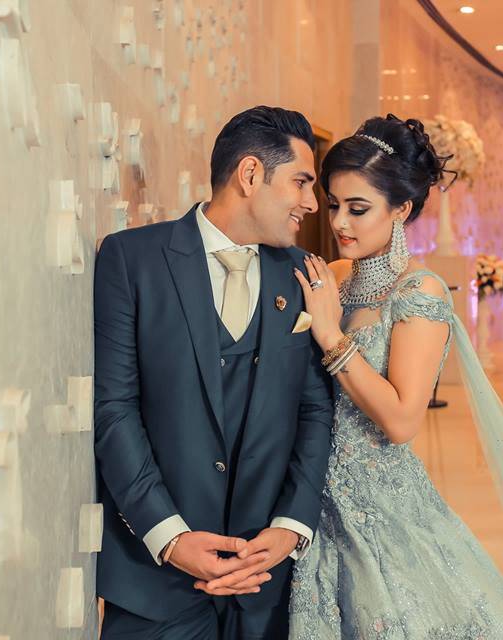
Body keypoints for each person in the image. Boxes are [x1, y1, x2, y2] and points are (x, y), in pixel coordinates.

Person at [205, 113, 503, 638]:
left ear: (401, 209)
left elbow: (403, 420)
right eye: (335, 205)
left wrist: (331, 337)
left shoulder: (420, 293)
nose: (340, 222)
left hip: (381, 509)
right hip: (306, 497)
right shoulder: (331, 277)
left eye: (359, 209)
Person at [93, 105, 334, 639]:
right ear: (250, 175)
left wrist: (290, 529)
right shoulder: (132, 259)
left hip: (263, 584)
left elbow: (315, 410)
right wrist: (172, 539)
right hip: (155, 584)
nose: (311, 204)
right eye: (301, 182)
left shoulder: (302, 277)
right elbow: (114, 410)